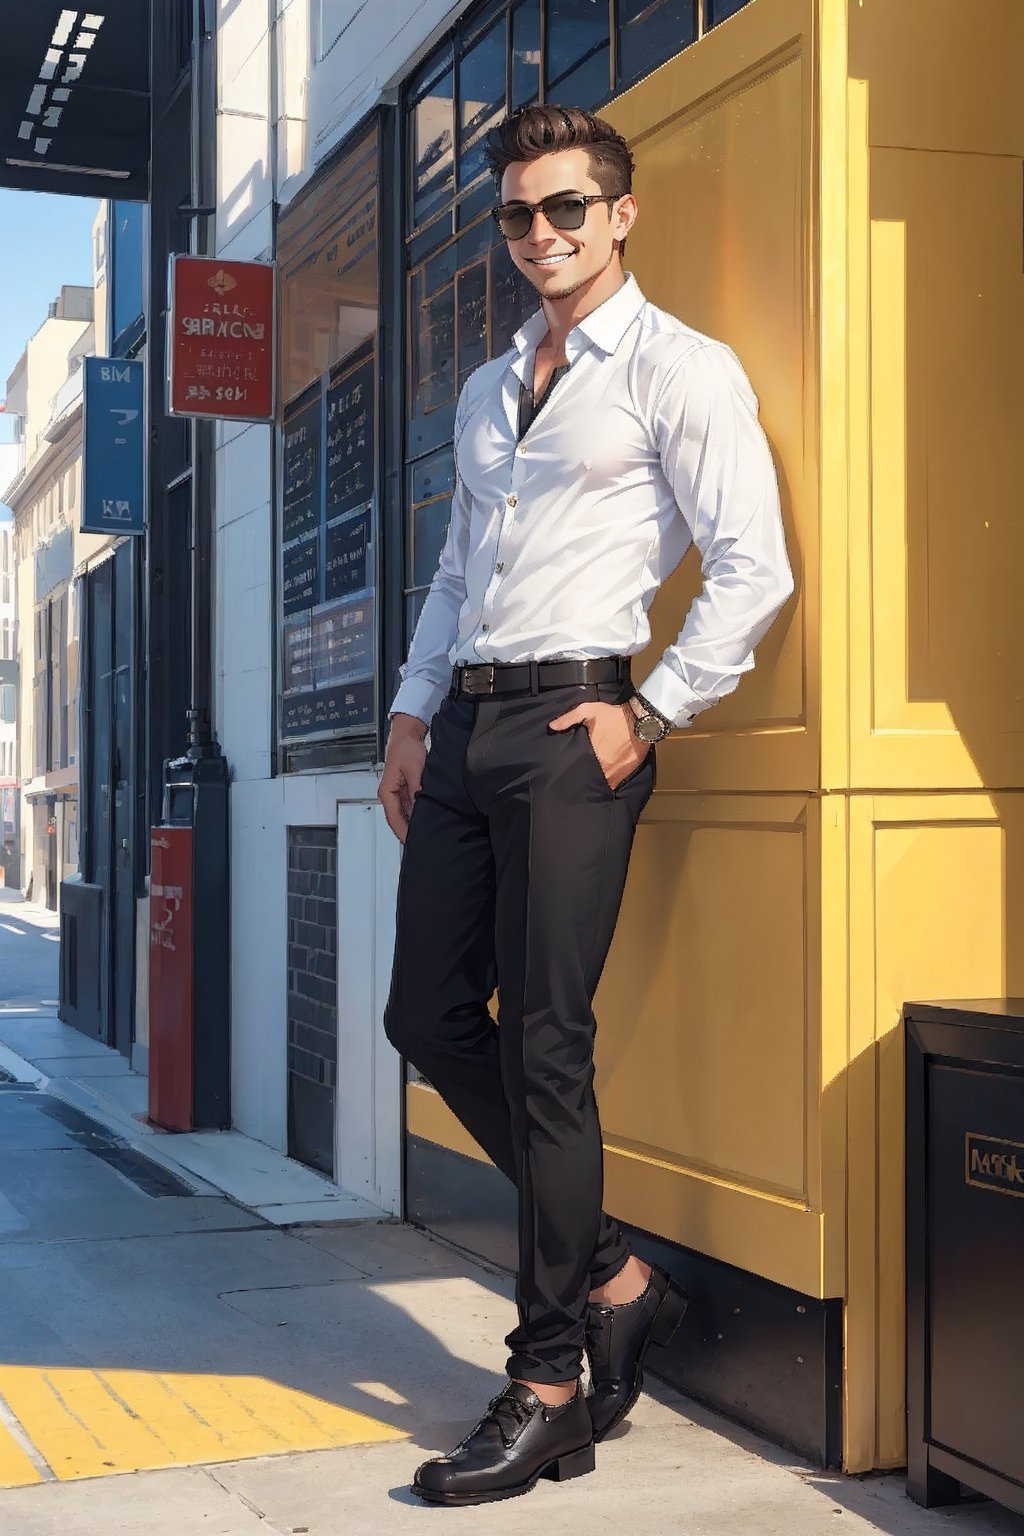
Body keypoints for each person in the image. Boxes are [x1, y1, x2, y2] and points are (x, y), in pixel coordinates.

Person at [379, 104, 793, 1506]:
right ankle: (617, 1273)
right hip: (469, 728)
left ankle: (549, 1381)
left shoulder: (681, 370)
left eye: (566, 209)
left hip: (575, 728)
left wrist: (650, 710)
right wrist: (408, 713)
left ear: (621, 214)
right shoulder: (492, 388)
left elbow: (751, 564)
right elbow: (453, 572)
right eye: (517, 216)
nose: (540, 235)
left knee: (546, 1042)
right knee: (424, 1015)